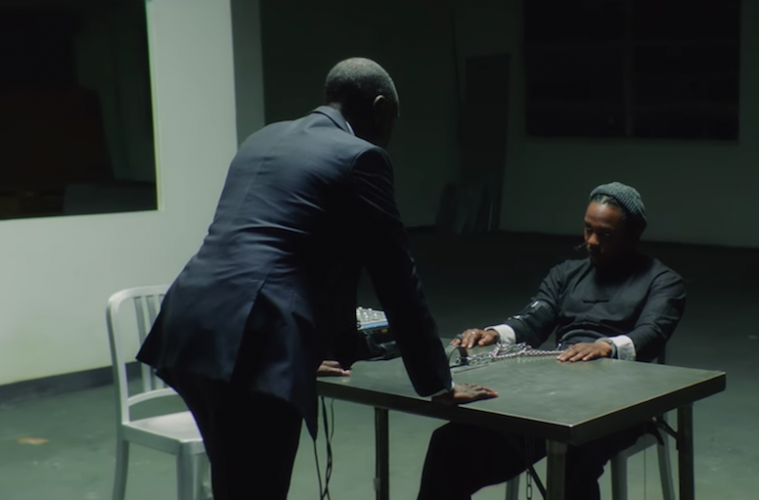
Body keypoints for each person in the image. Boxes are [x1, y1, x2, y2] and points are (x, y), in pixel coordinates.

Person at [135, 57, 497, 500]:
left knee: (237, 480)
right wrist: (439, 383)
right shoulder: (361, 157)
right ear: (380, 108)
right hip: (257, 338)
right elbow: (395, 274)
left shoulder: (262, 139)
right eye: (393, 120)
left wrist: (316, 350)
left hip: (189, 323)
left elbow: (309, 253)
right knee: (255, 486)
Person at [417, 182, 686, 500]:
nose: (592, 241)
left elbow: (652, 333)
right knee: (449, 444)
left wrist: (606, 346)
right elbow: (534, 319)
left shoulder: (663, 282)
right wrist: (494, 333)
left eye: (605, 234)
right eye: (588, 229)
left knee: (574, 457)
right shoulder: (566, 275)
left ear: (633, 234)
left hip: (619, 407)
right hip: (555, 398)